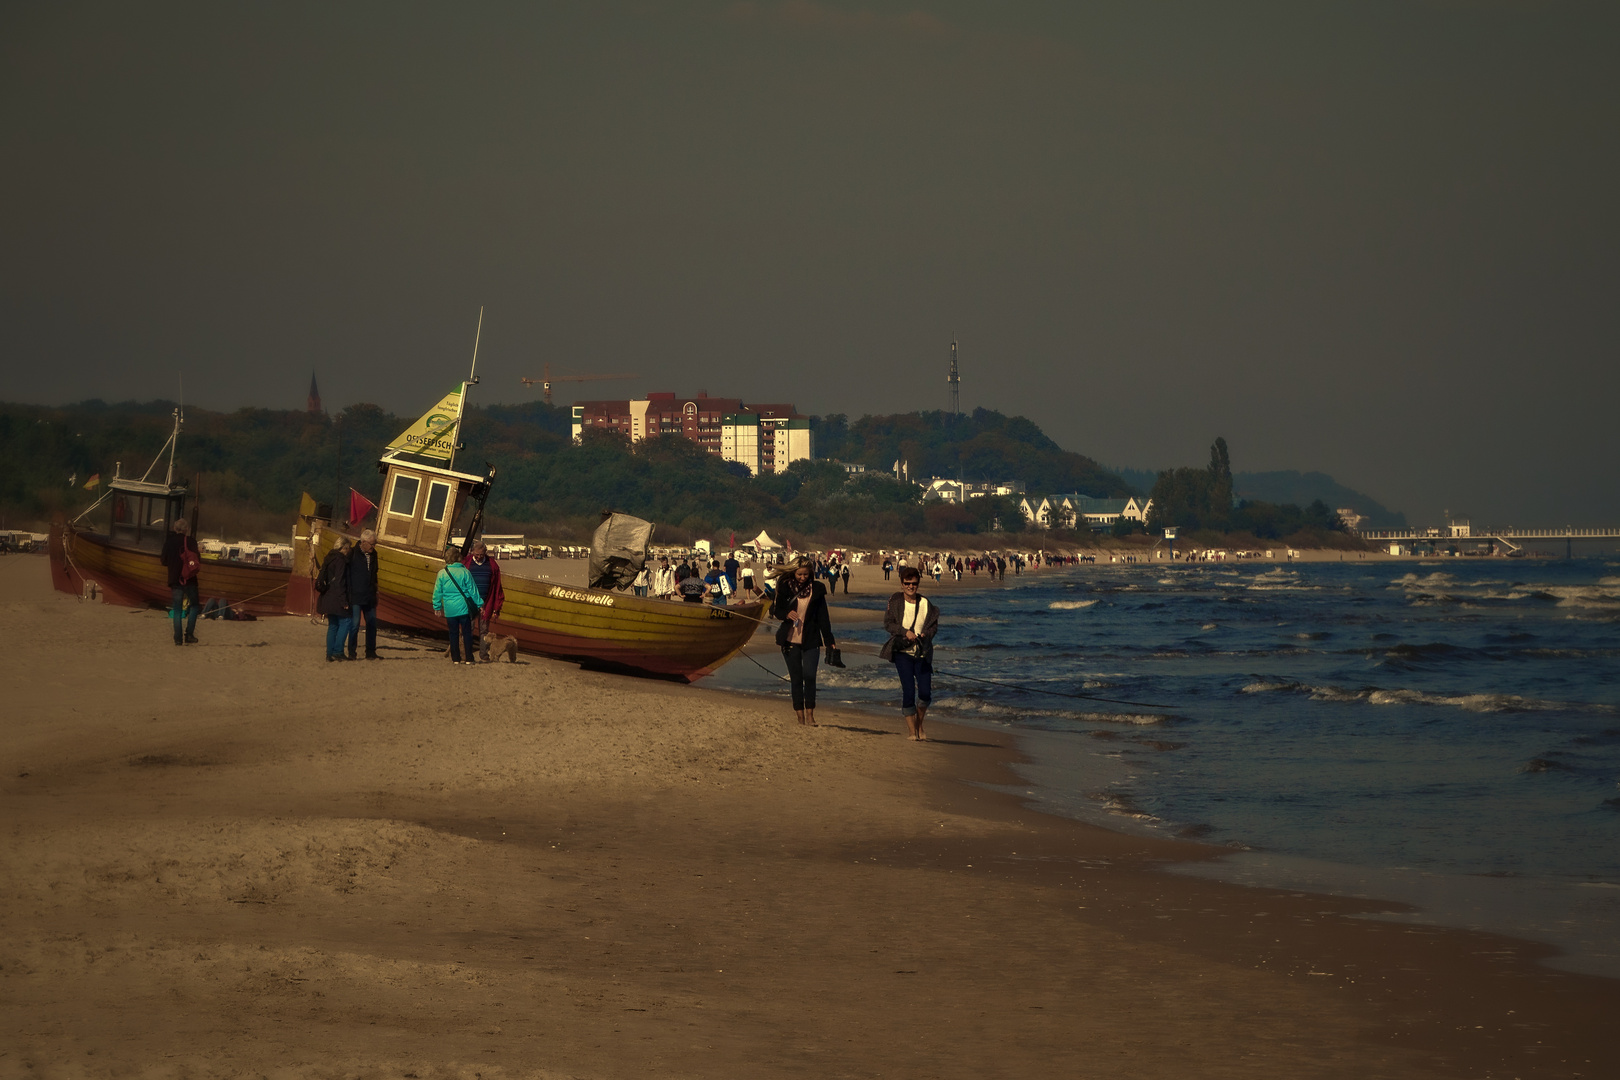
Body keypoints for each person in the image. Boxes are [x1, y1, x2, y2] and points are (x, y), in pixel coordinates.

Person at [772, 556, 835, 726]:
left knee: (810, 676)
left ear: (811, 573)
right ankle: (800, 716)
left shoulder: (817, 589)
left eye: (806, 574)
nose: (802, 577)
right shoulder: (785, 587)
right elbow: (776, 610)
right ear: (794, 573)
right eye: (799, 574)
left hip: (811, 639)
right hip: (789, 640)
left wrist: (829, 640)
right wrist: (786, 614)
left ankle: (810, 715)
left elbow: (823, 617)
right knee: (796, 679)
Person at [881, 566, 939, 741]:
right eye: (907, 583)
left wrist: (925, 635)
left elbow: (933, 626)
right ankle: (912, 732)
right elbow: (888, 624)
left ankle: (919, 724)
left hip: (923, 653)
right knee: (908, 691)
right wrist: (904, 632)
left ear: (918, 584)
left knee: (925, 693)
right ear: (901, 584)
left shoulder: (925, 604)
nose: (911, 587)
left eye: (914, 583)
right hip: (902, 652)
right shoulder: (895, 601)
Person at [432, 549, 484, 666]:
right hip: (464, 608)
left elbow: (437, 592)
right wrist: (480, 604)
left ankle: (456, 658)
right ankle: (469, 658)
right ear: (458, 558)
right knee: (467, 634)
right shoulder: (465, 572)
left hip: (450, 609)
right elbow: (473, 590)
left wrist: (437, 607)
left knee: (453, 634)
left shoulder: (442, 573)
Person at [160, 519, 201, 646]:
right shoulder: (191, 541)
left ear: (175, 528)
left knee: (177, 609)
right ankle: (189, 634)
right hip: (190, 579)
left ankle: (178, 638)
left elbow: (163, 561)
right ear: (186, 529)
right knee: (194, 606)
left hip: (174, 579)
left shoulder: (169, 541)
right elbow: (197, 560)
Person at [462, 540, 504, 661]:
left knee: (484, 630)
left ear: (485, 552)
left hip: (486, 602)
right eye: (477, 555)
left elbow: (497, 587)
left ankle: (483, 654)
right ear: (473, 553)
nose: (479, 557)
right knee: (468, 628)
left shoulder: (492, 565)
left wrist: (497, 607)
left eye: (481, 554)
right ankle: (467, 653)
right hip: (469, 602)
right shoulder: (466, 563)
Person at [316, 536, 354, 662]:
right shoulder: (341, 561)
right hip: (337, 597)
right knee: (346, 622)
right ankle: (338, 651)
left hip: (327, 596)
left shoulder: (329, 558)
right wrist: (344, 601)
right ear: (343, 548)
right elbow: (340, 582)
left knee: (333, 625)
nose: (349, 551)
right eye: (348, 548)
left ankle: (329, 653)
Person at [346, 529, 380, 660]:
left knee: (371, 624)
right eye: (372, 544)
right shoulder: (353, 553)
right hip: (355, 595)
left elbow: (374, 573)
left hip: (369, 595)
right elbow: (346, 572)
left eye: (375, 544)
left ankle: (371, 652)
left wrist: (376, 591)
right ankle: (351, 652)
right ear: (363, 542)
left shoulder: (374, 555)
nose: (373, 547)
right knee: (354, 625)